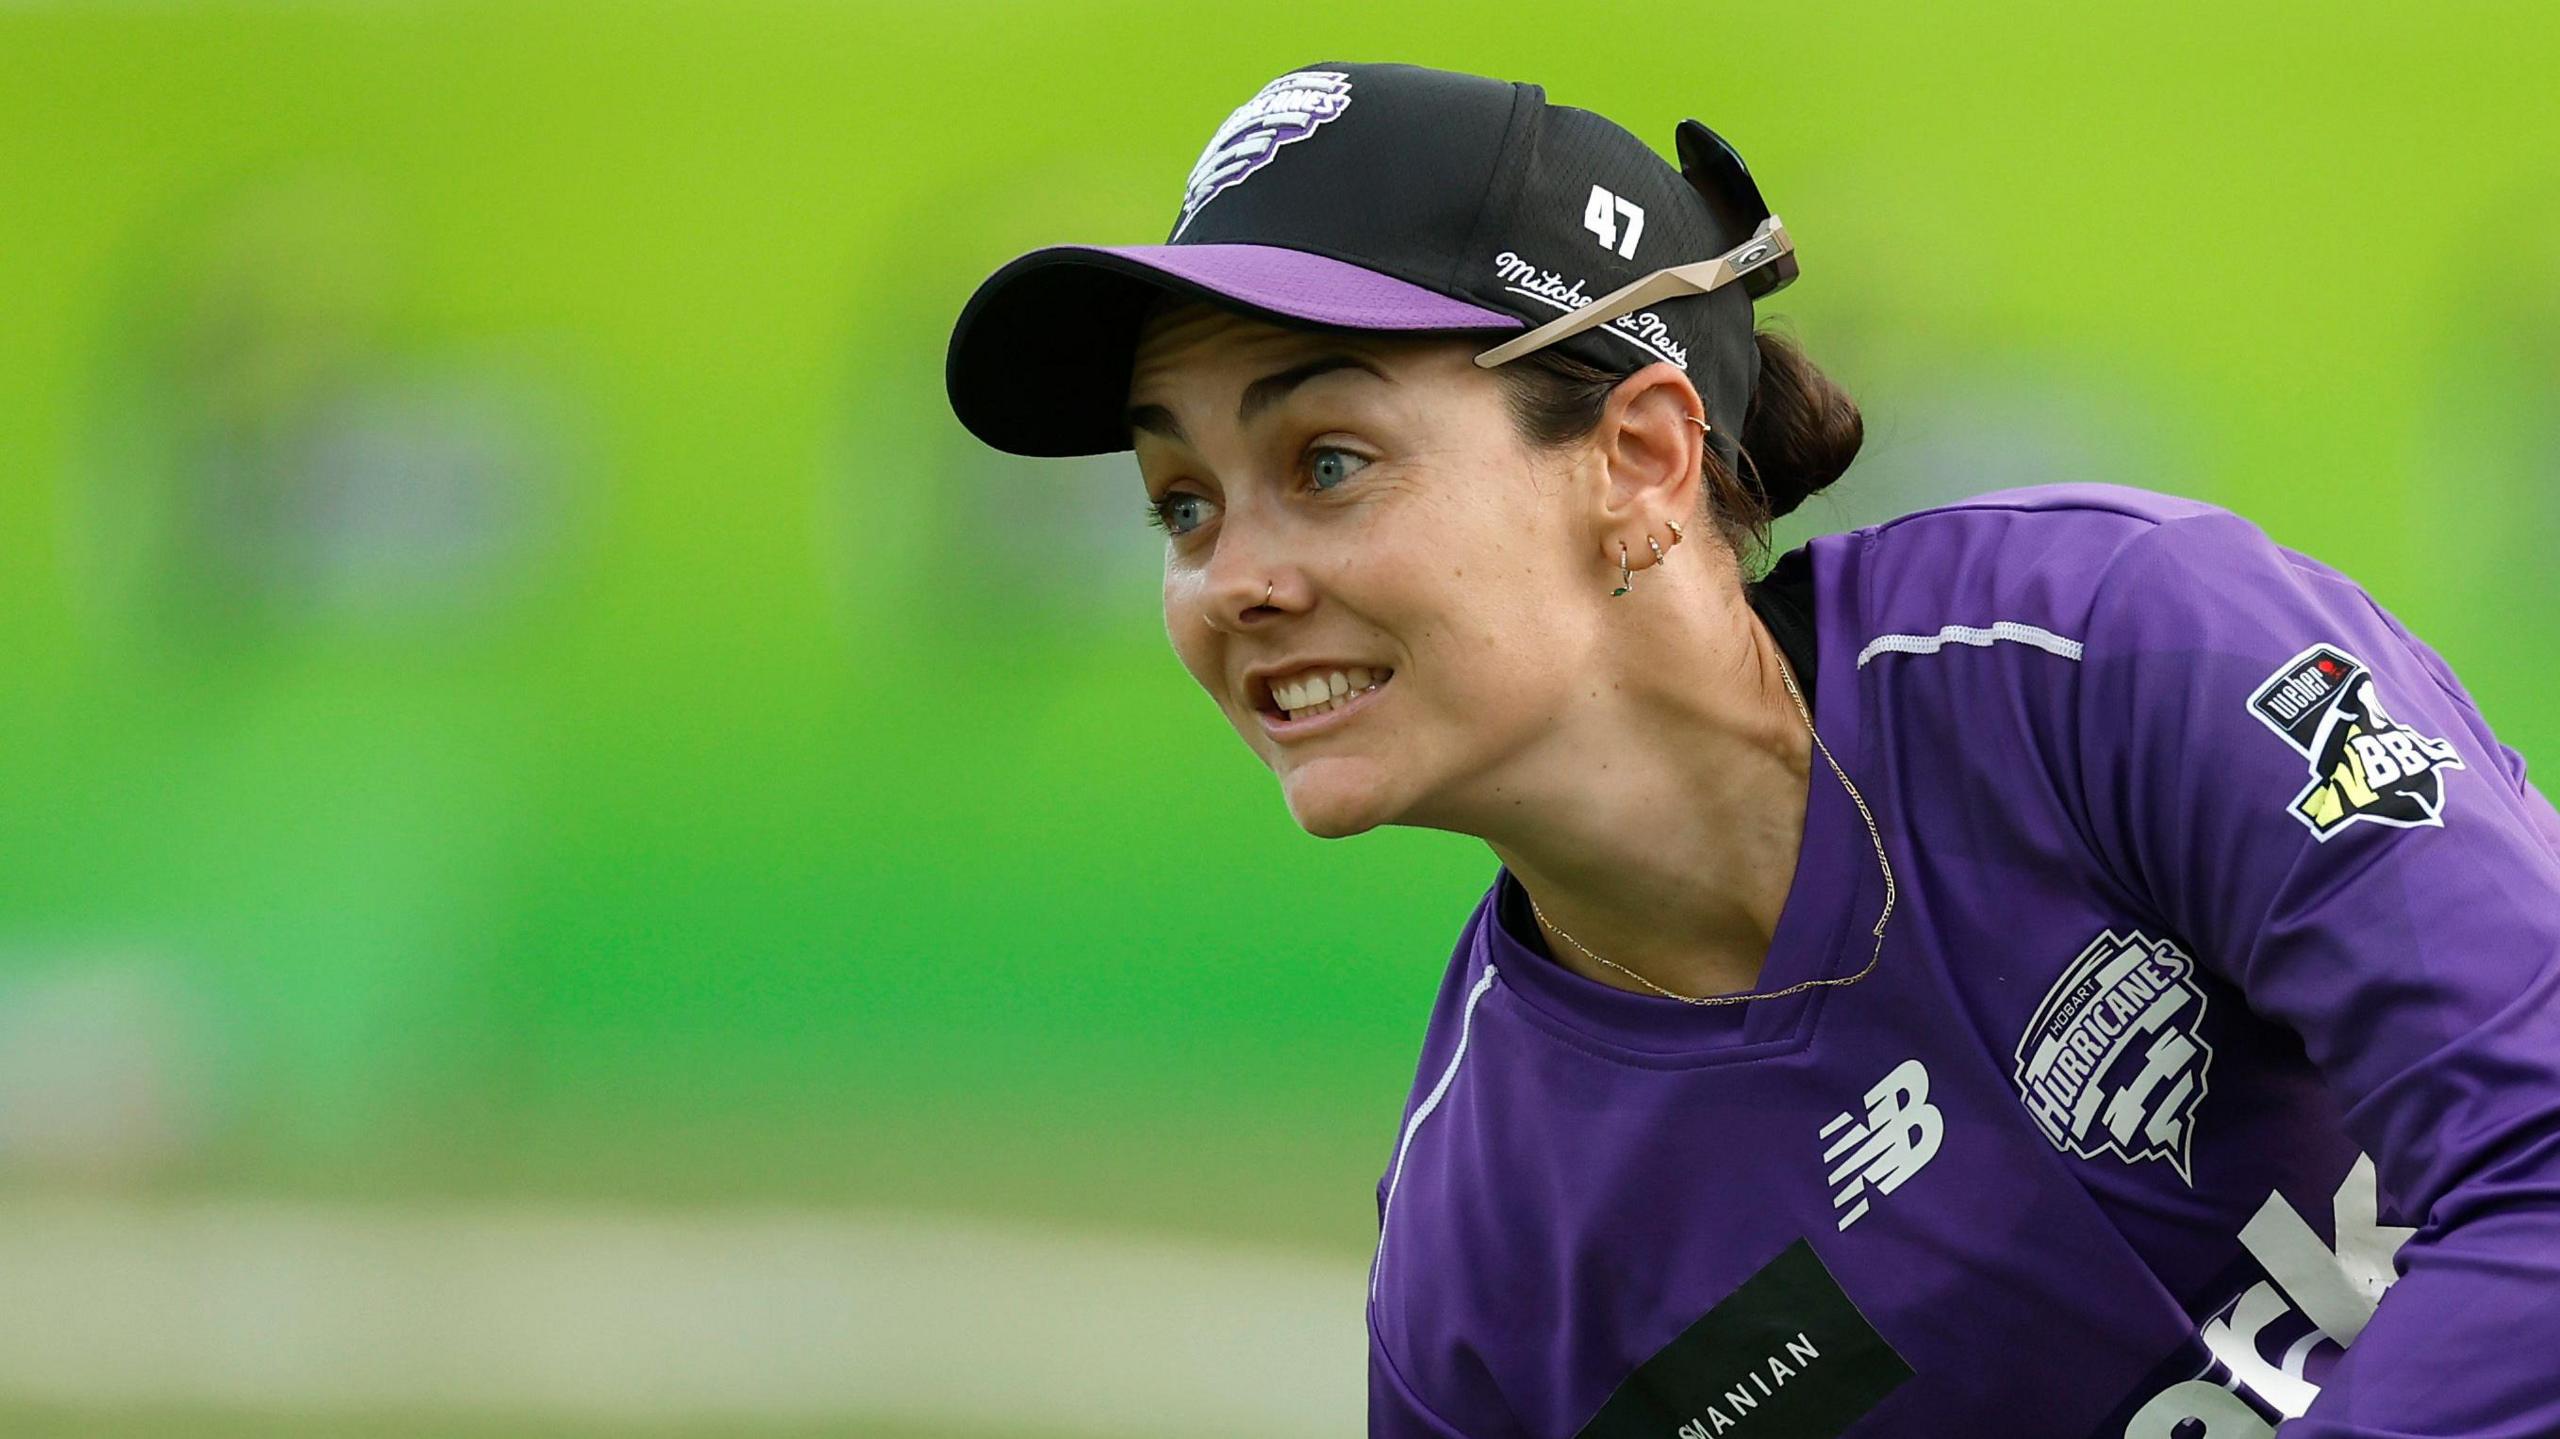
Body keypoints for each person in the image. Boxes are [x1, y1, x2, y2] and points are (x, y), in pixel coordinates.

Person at [943, 60, 2560, 1438]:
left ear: (1641, 458)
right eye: (1181, 507)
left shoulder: (2111, 653)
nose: (1235, 581)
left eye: (1329, 461)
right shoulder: (1487, 1281)